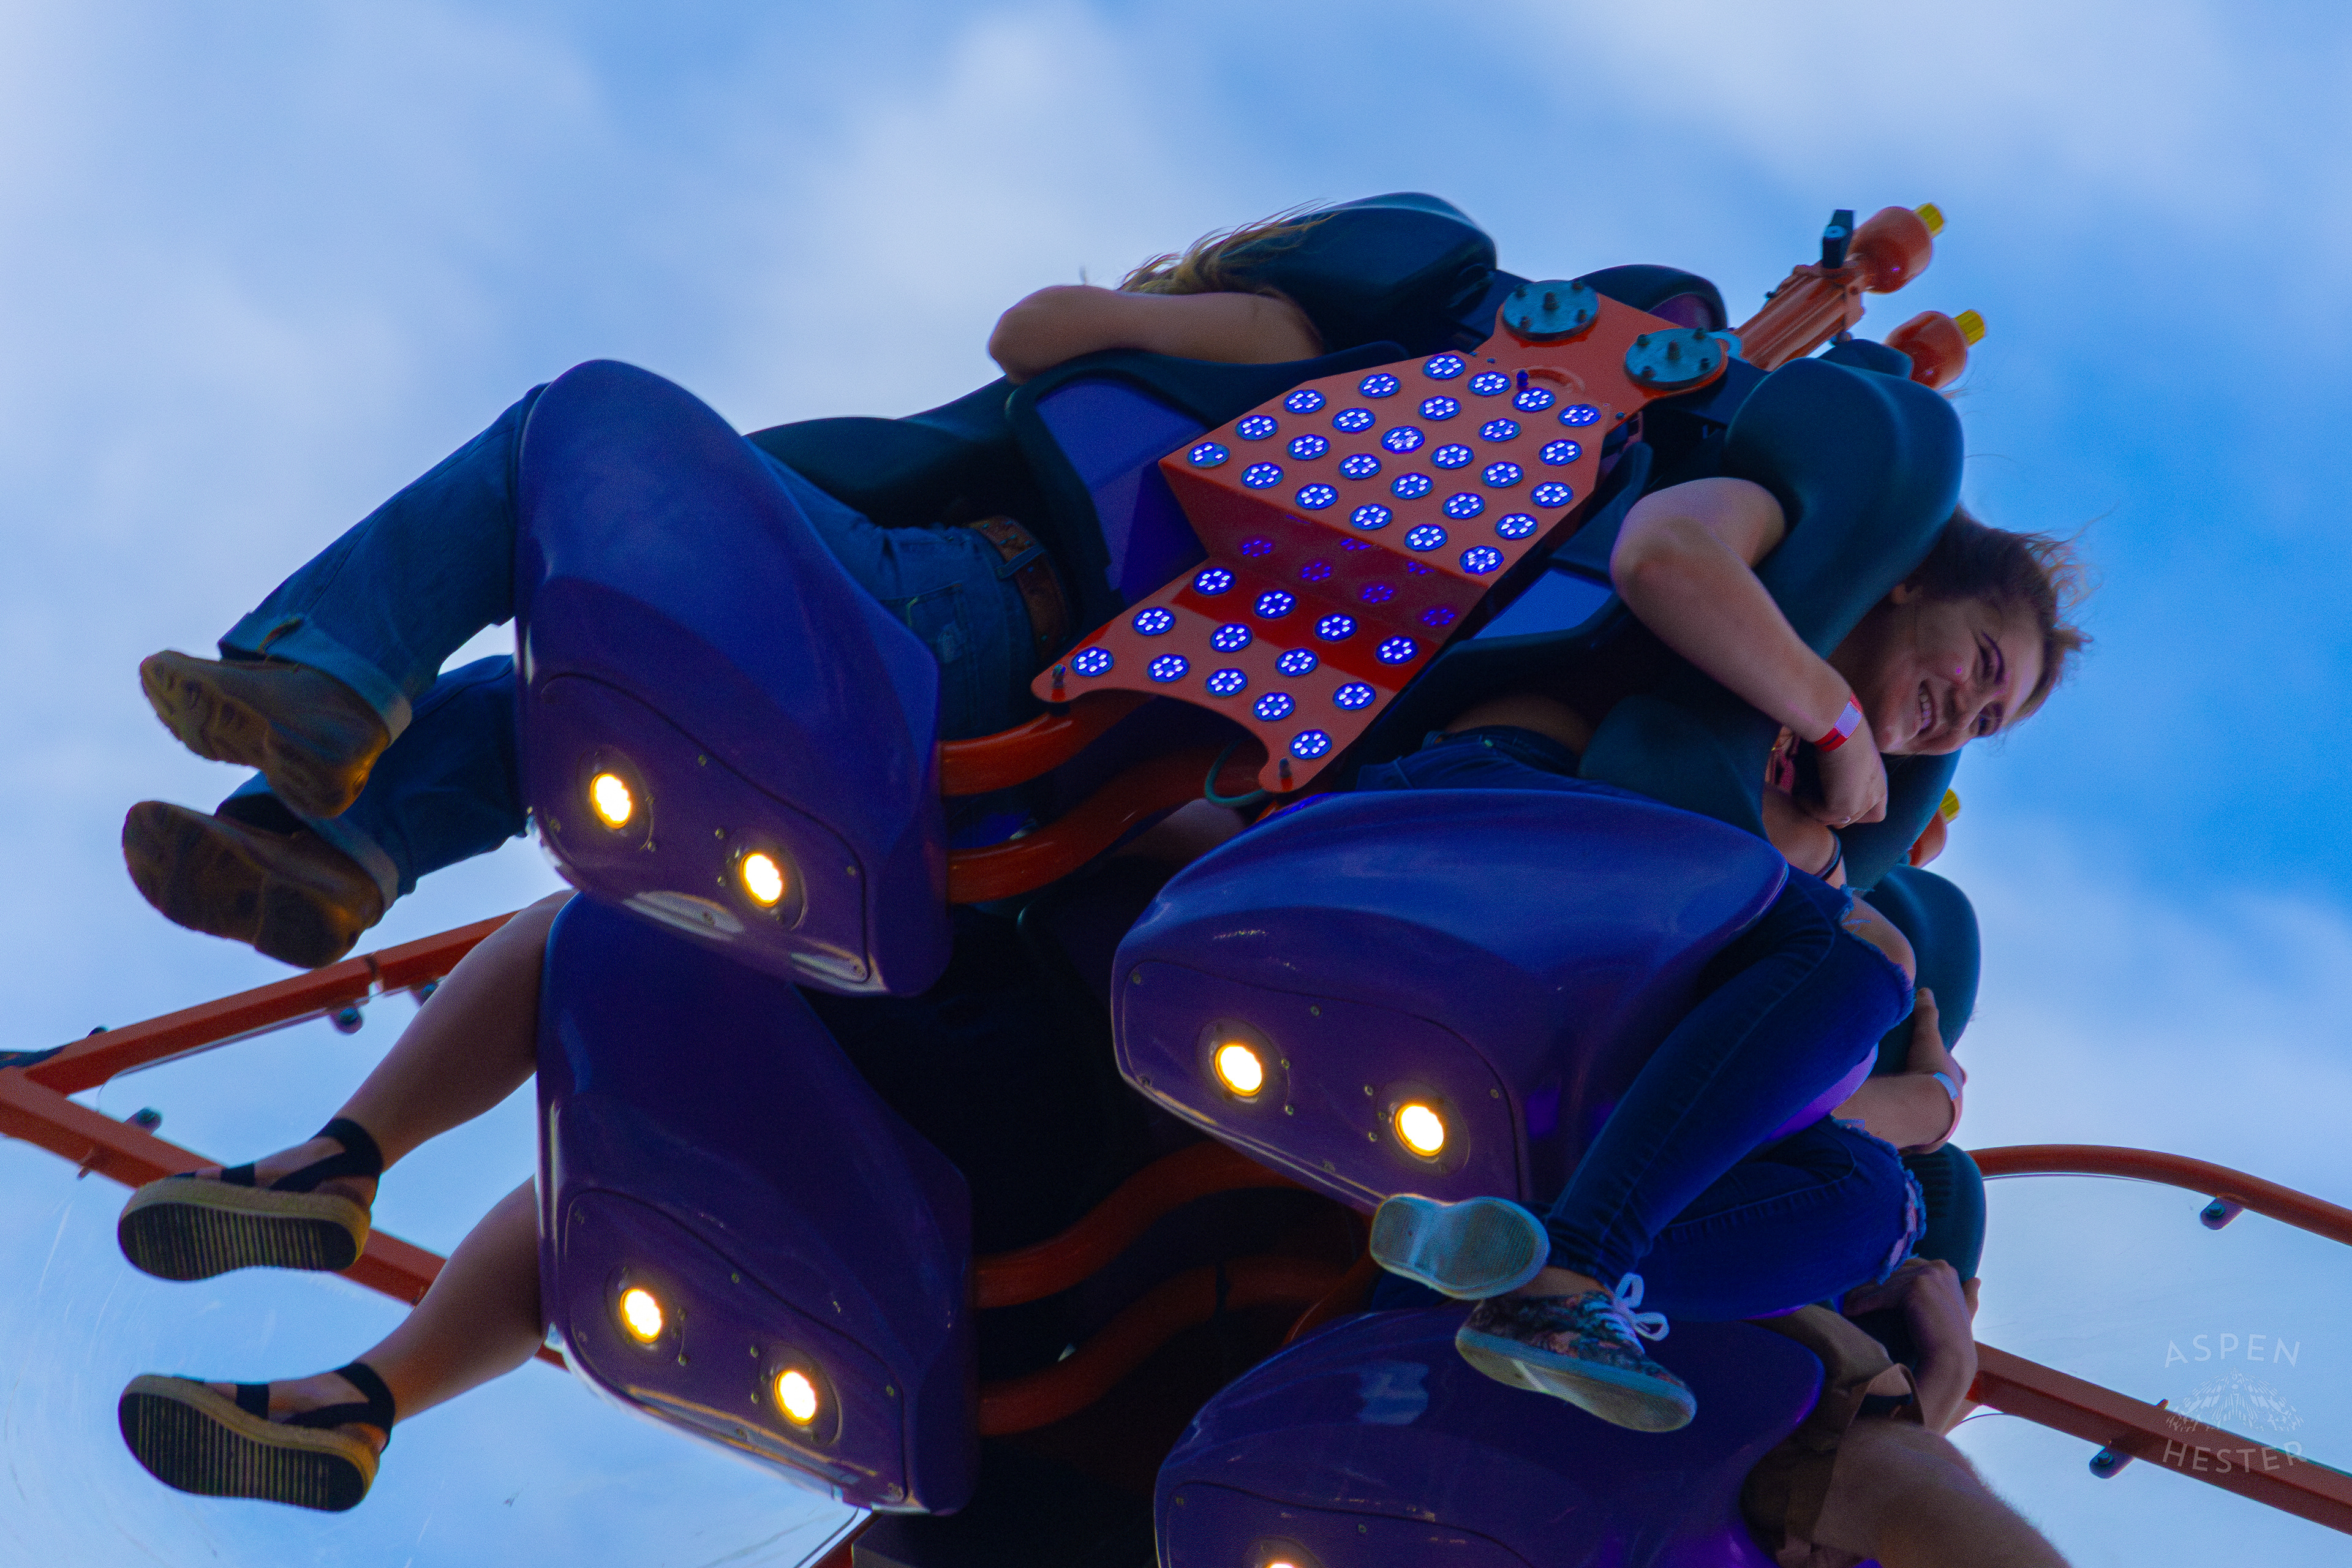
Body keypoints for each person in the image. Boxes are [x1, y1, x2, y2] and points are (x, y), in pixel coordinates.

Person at [120, 196, 1497, 965]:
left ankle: (324, 673)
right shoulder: (1349, 501)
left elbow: (1034, 332)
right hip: (980, 703)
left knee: (578, 427)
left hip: (951, 606)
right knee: (559, 686)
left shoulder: (1280, 338)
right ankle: (325, 856)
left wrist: (1175, 303)